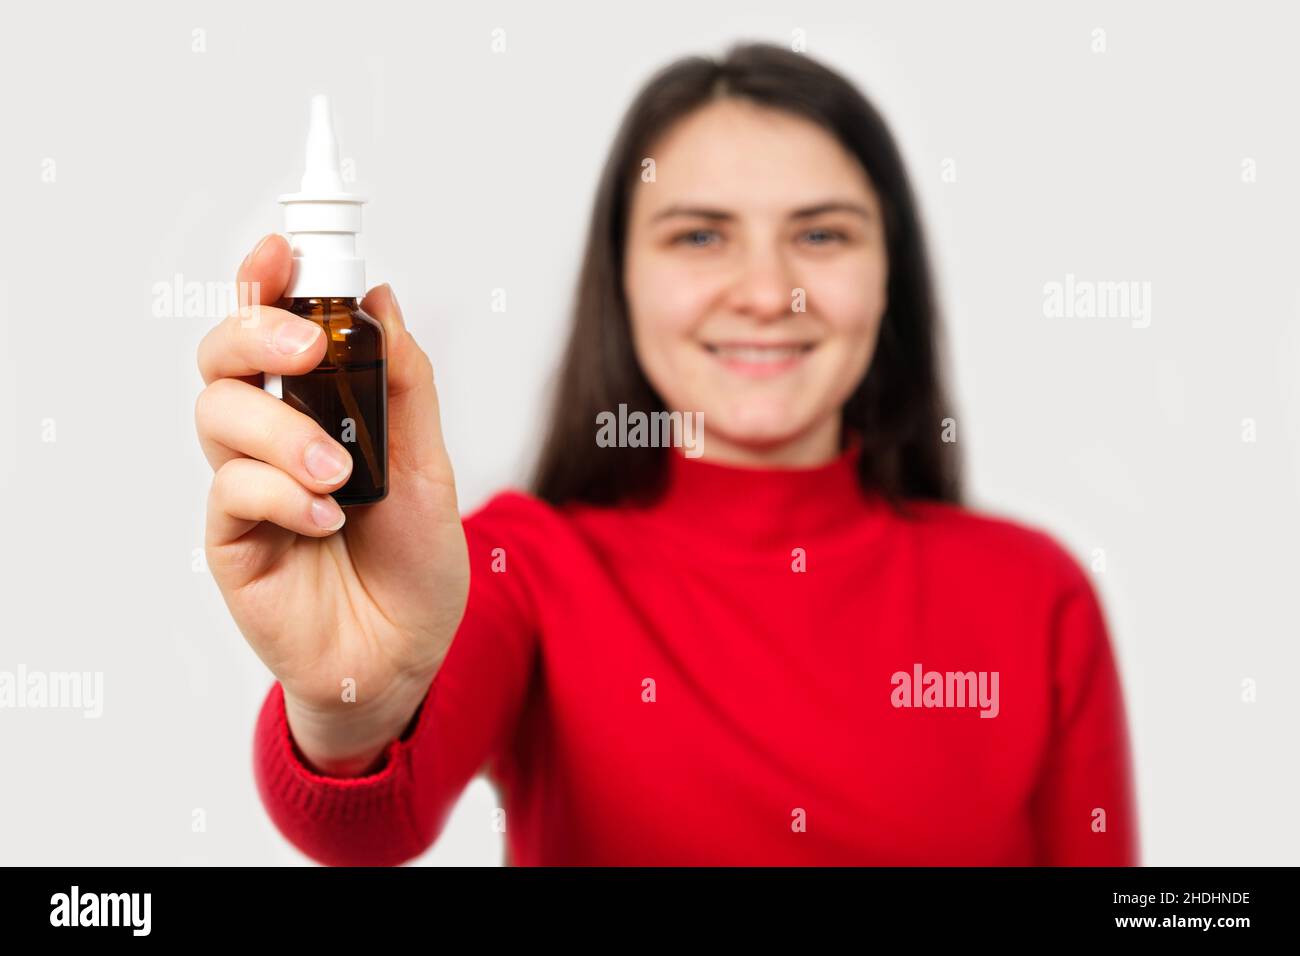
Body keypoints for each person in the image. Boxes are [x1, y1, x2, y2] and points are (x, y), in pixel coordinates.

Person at [195, 42, 1139, 865]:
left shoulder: (1035, 598)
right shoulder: (519, 570)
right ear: (624, 278)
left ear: (890, 272)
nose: (770, 292)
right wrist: (350, 703)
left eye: (821, 233)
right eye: (699, 235)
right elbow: (365, 828)